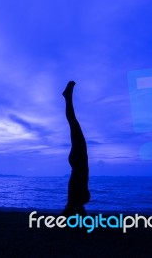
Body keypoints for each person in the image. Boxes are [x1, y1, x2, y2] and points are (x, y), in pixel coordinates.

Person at [62, 81, 90, 216]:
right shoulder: (77, 190)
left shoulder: (78, 187)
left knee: (73, 122)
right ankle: (68, 97)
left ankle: (68, 97)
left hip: (78, 159)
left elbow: (76, 204)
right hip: (76, 160)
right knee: (73, 123)